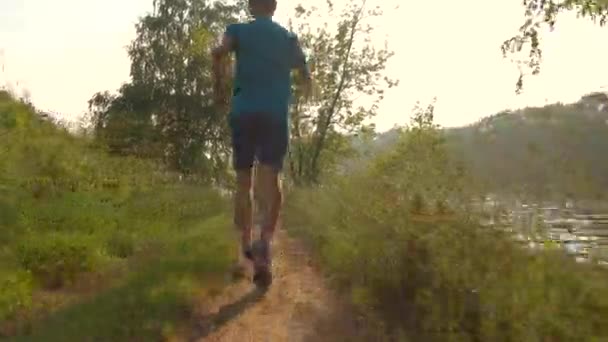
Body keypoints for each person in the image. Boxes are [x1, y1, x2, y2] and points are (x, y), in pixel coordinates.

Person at [211, 0, 312, 281]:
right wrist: (299, 92)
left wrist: (219, 87)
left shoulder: (238, 31)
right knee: (271, 179)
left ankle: (244, 248)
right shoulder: (287, 38)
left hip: (243, 114)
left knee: (243, 182)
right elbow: (305, 74)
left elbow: (218, 53)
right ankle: (265, 242)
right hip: (274, 117)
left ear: (250, 7)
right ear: (274, 6)